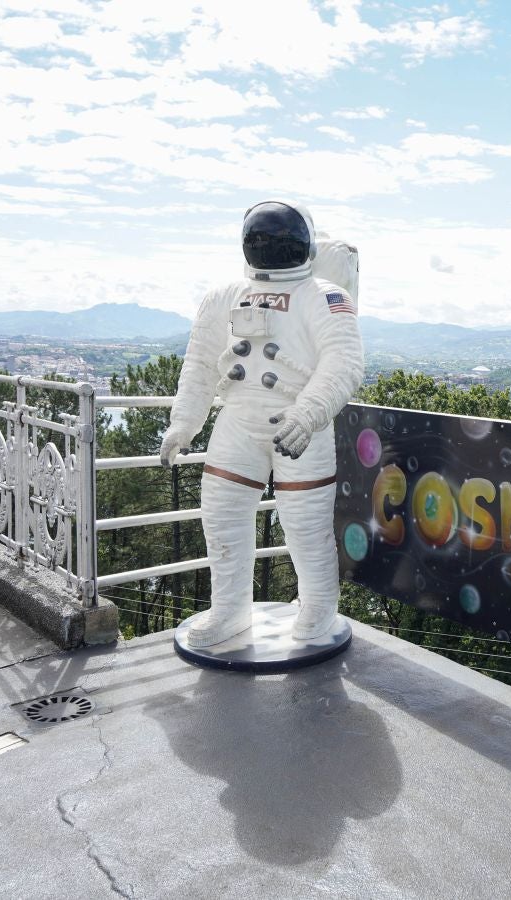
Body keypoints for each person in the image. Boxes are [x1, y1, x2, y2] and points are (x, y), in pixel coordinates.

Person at [160, 201, 364, 648]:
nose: (271, 244)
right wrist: (184, 423)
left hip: (301, 426)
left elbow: (343, 362)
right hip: (238, 421)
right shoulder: (225, 296)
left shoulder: (324, 297)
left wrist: (308, 413)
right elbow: (201, 364)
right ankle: (229, 611)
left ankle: (318, 608)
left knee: (305, 525)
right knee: (222, 516)